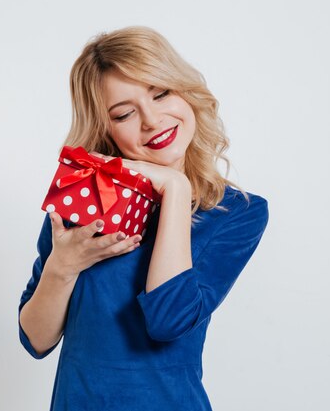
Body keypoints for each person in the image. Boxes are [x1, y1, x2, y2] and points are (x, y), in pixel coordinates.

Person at [18, 26, 269, 411]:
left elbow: (167, 321)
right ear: (106, 128)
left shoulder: (236, 213)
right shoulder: (84, 199)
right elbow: (35, 340)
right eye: (124, 113)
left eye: (161, 92)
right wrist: (62, 267)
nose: (151, 120)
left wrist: (176, 188)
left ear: (185, 91)